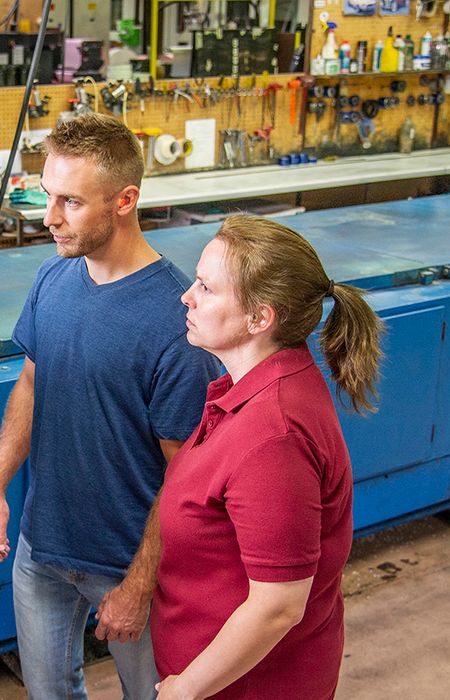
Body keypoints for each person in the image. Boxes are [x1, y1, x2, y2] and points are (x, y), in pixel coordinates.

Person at [0, 113, 220, 699]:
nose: (48, 217)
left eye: (70, 202)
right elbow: (31, 387)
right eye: (47, 195)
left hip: (126, 561)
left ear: (124, 200)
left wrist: (140, 584)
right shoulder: (53, 279)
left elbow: (185, 472)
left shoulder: (175, 321)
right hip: (41, 546)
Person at [151, 215, 384, 699]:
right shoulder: (253, 393)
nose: (186, 296)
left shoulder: (272, 437)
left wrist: (185, 689)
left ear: (260, 318)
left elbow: (278, 605)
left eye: (207, 288)